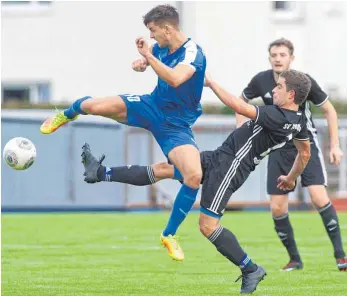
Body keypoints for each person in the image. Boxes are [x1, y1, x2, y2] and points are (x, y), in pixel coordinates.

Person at [81, 69, 312, 294]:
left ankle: (250, 268)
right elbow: (304, 153)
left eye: (279, 87)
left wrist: (212, 84)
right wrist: (291, 178)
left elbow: (238, 106)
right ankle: (100, 173)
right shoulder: (298, 121)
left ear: (291, 95)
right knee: (164, 169)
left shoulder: (279, 115)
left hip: (230, 168)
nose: (274, 90)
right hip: (220, 157)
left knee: (207, 226)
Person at [40, 4, 206, 261]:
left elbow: (174, 78)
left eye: (153, 31)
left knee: (193, 176)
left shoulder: (194, 54)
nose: (151, 36)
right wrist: (142, 62)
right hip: (151, 106)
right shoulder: (162, 47)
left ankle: (169, 234)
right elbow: (154, 61)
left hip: (175, 125)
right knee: (93, 105)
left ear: (167, 28)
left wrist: (148, 57)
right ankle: (64, 115)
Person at [236, 38, 346, 271]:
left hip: (304, 144)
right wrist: (240, 131)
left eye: (282, 55)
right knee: (277, 208)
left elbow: (329, 110)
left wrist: (335, 145)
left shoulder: (303, 82)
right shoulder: (261, 80)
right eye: (274, 55)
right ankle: (295, 260)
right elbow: (241, 102)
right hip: (277, 146)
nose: (278, 58)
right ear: (269, 58)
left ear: (291, 58)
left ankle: (341, 256)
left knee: (318, 197)